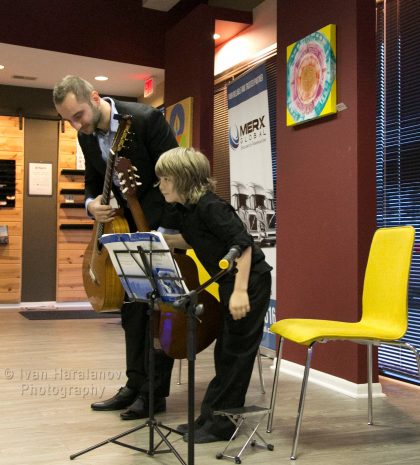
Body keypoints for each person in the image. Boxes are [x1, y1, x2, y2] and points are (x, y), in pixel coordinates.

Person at [53, 75, 179, 420]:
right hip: (123, 230)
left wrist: (165, 235)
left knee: (159, 313)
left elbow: (176, 176)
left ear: (94, 97)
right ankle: (134, 384)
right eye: (68, 120)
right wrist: (90, 204)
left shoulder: (145, 119)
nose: (76, 125)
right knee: (131, 311)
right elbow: (92, 184)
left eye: (78, 115)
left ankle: (154, 394)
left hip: (160, 229)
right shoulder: (86, 135)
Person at [155, 147, 272, 443]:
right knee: (225, 352)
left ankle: (222, 425)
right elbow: (195, 238)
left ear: (183, 178)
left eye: (166, 178)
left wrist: (240, 291)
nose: (161, 185)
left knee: (235, 354)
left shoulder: (211, 207)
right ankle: (209, 418)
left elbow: (242, 245)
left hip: (249, 281)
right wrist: (158, 241)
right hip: (229, 282)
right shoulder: (187, 210)